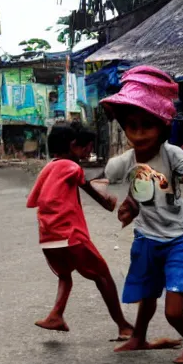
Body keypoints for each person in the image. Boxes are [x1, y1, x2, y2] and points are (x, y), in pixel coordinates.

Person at [94, 66, 183, 364]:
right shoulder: (129, 159)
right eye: (131, 126)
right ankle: (138, 337)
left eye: (146, 126)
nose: (137, 134)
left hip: (176, 241)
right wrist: (128, 206)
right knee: (147, 296)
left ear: (162, 126)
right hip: (146, 240)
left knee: (173, 312)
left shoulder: (172, 154)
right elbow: (132, 185)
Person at [26, 124, 134, 340]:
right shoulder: (71, 167)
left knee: (65, 276)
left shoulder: (48, 169)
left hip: (48, 238)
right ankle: (123, 326)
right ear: (73, 145)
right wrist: (108, 200)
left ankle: (56, 315)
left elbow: (33, 200)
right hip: (70, 235)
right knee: (103, 276)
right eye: (87, 147)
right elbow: (89, 189)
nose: (88, 152)